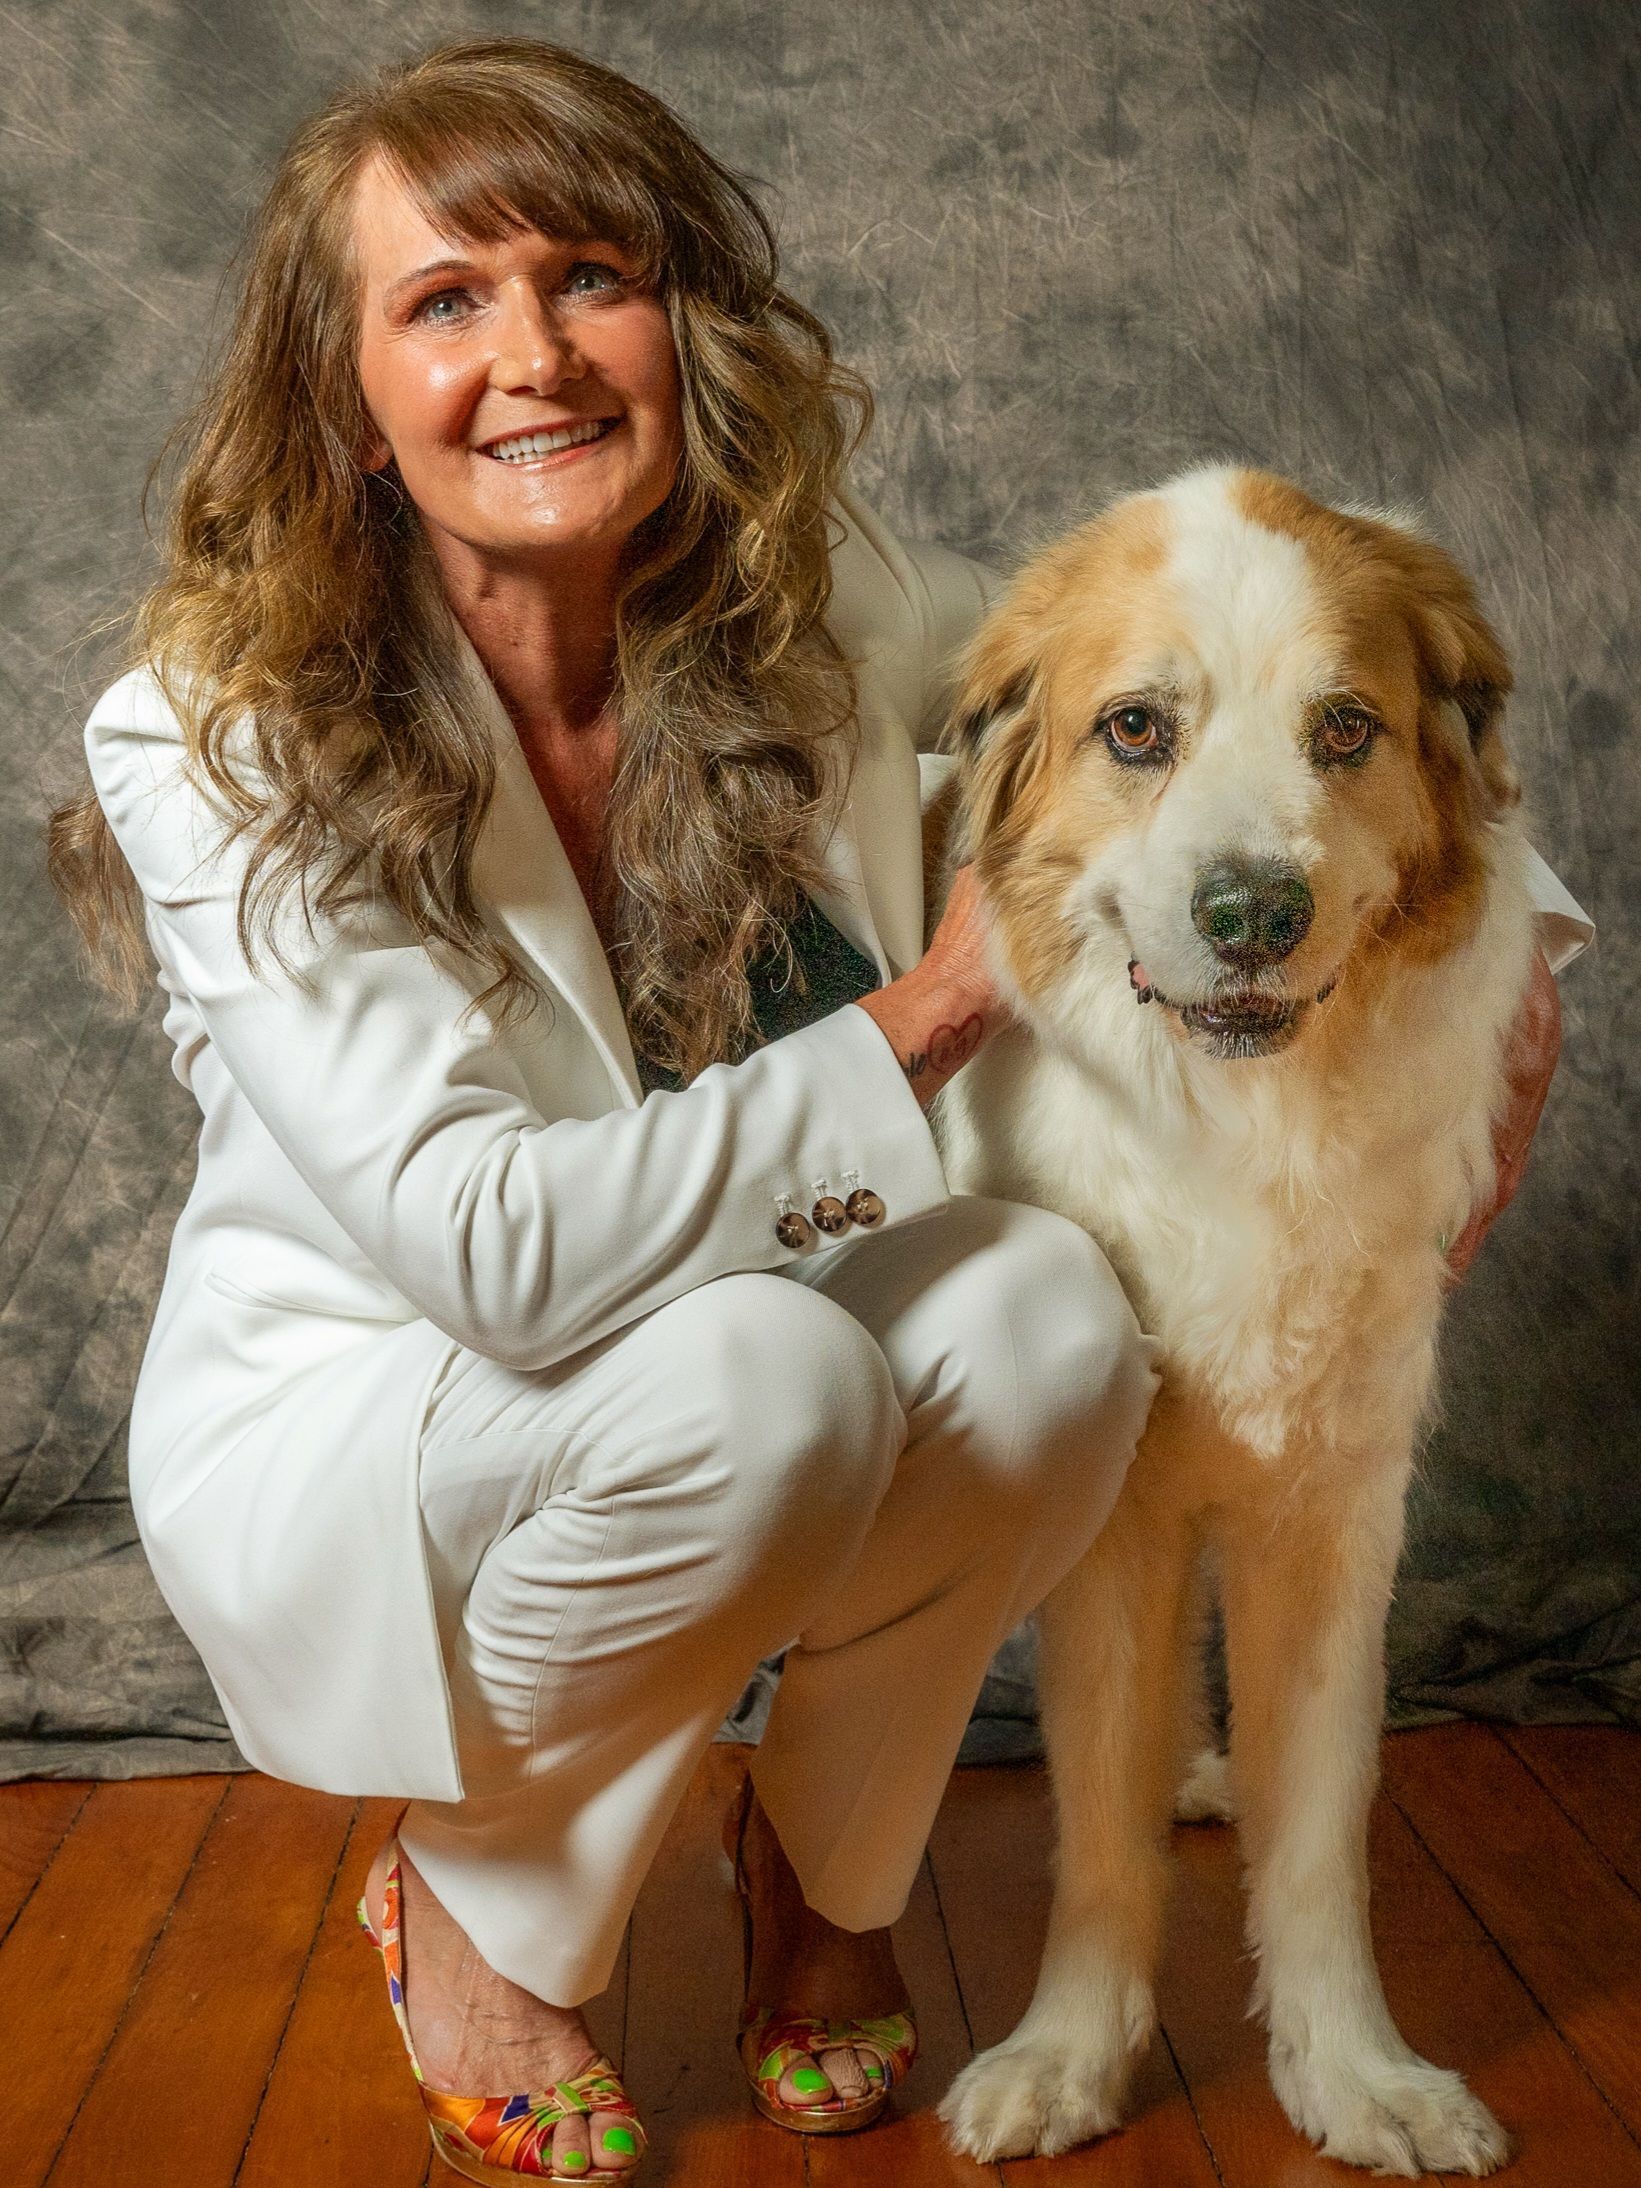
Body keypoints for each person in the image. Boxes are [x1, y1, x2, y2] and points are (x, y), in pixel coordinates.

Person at [45, 37, 1581, 2188]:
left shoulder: (815, 597)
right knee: (771, 1370)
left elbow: (1221, 687)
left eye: (588, 278)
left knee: (1051, 1318)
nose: (533, 356)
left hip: (725, 1341)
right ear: (344, 396)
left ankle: (824, 1868)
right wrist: (940, 1010)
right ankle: (482, 1902)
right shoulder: (208, 729)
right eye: (444, 302)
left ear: (675, 322)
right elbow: (490, 1250)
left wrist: (1498, 943)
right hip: (400, 1404)